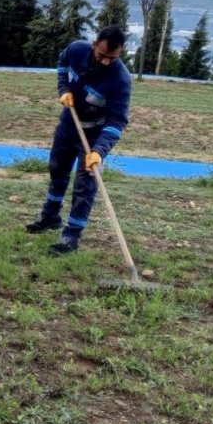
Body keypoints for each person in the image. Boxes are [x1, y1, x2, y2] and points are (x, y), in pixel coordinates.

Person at [26, 25, 131, 256]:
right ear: (94, 44)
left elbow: (117, 121)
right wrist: (63, 89)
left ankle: (71, 235)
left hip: (94, 136)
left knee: (86, 185)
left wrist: (100, 150)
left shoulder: (120, 80)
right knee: (57, 168)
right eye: (102, 55)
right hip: (69, 124)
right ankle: (50, 216)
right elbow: (62, 64)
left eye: (112, 58)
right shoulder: (76, 49)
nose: (105, 61)